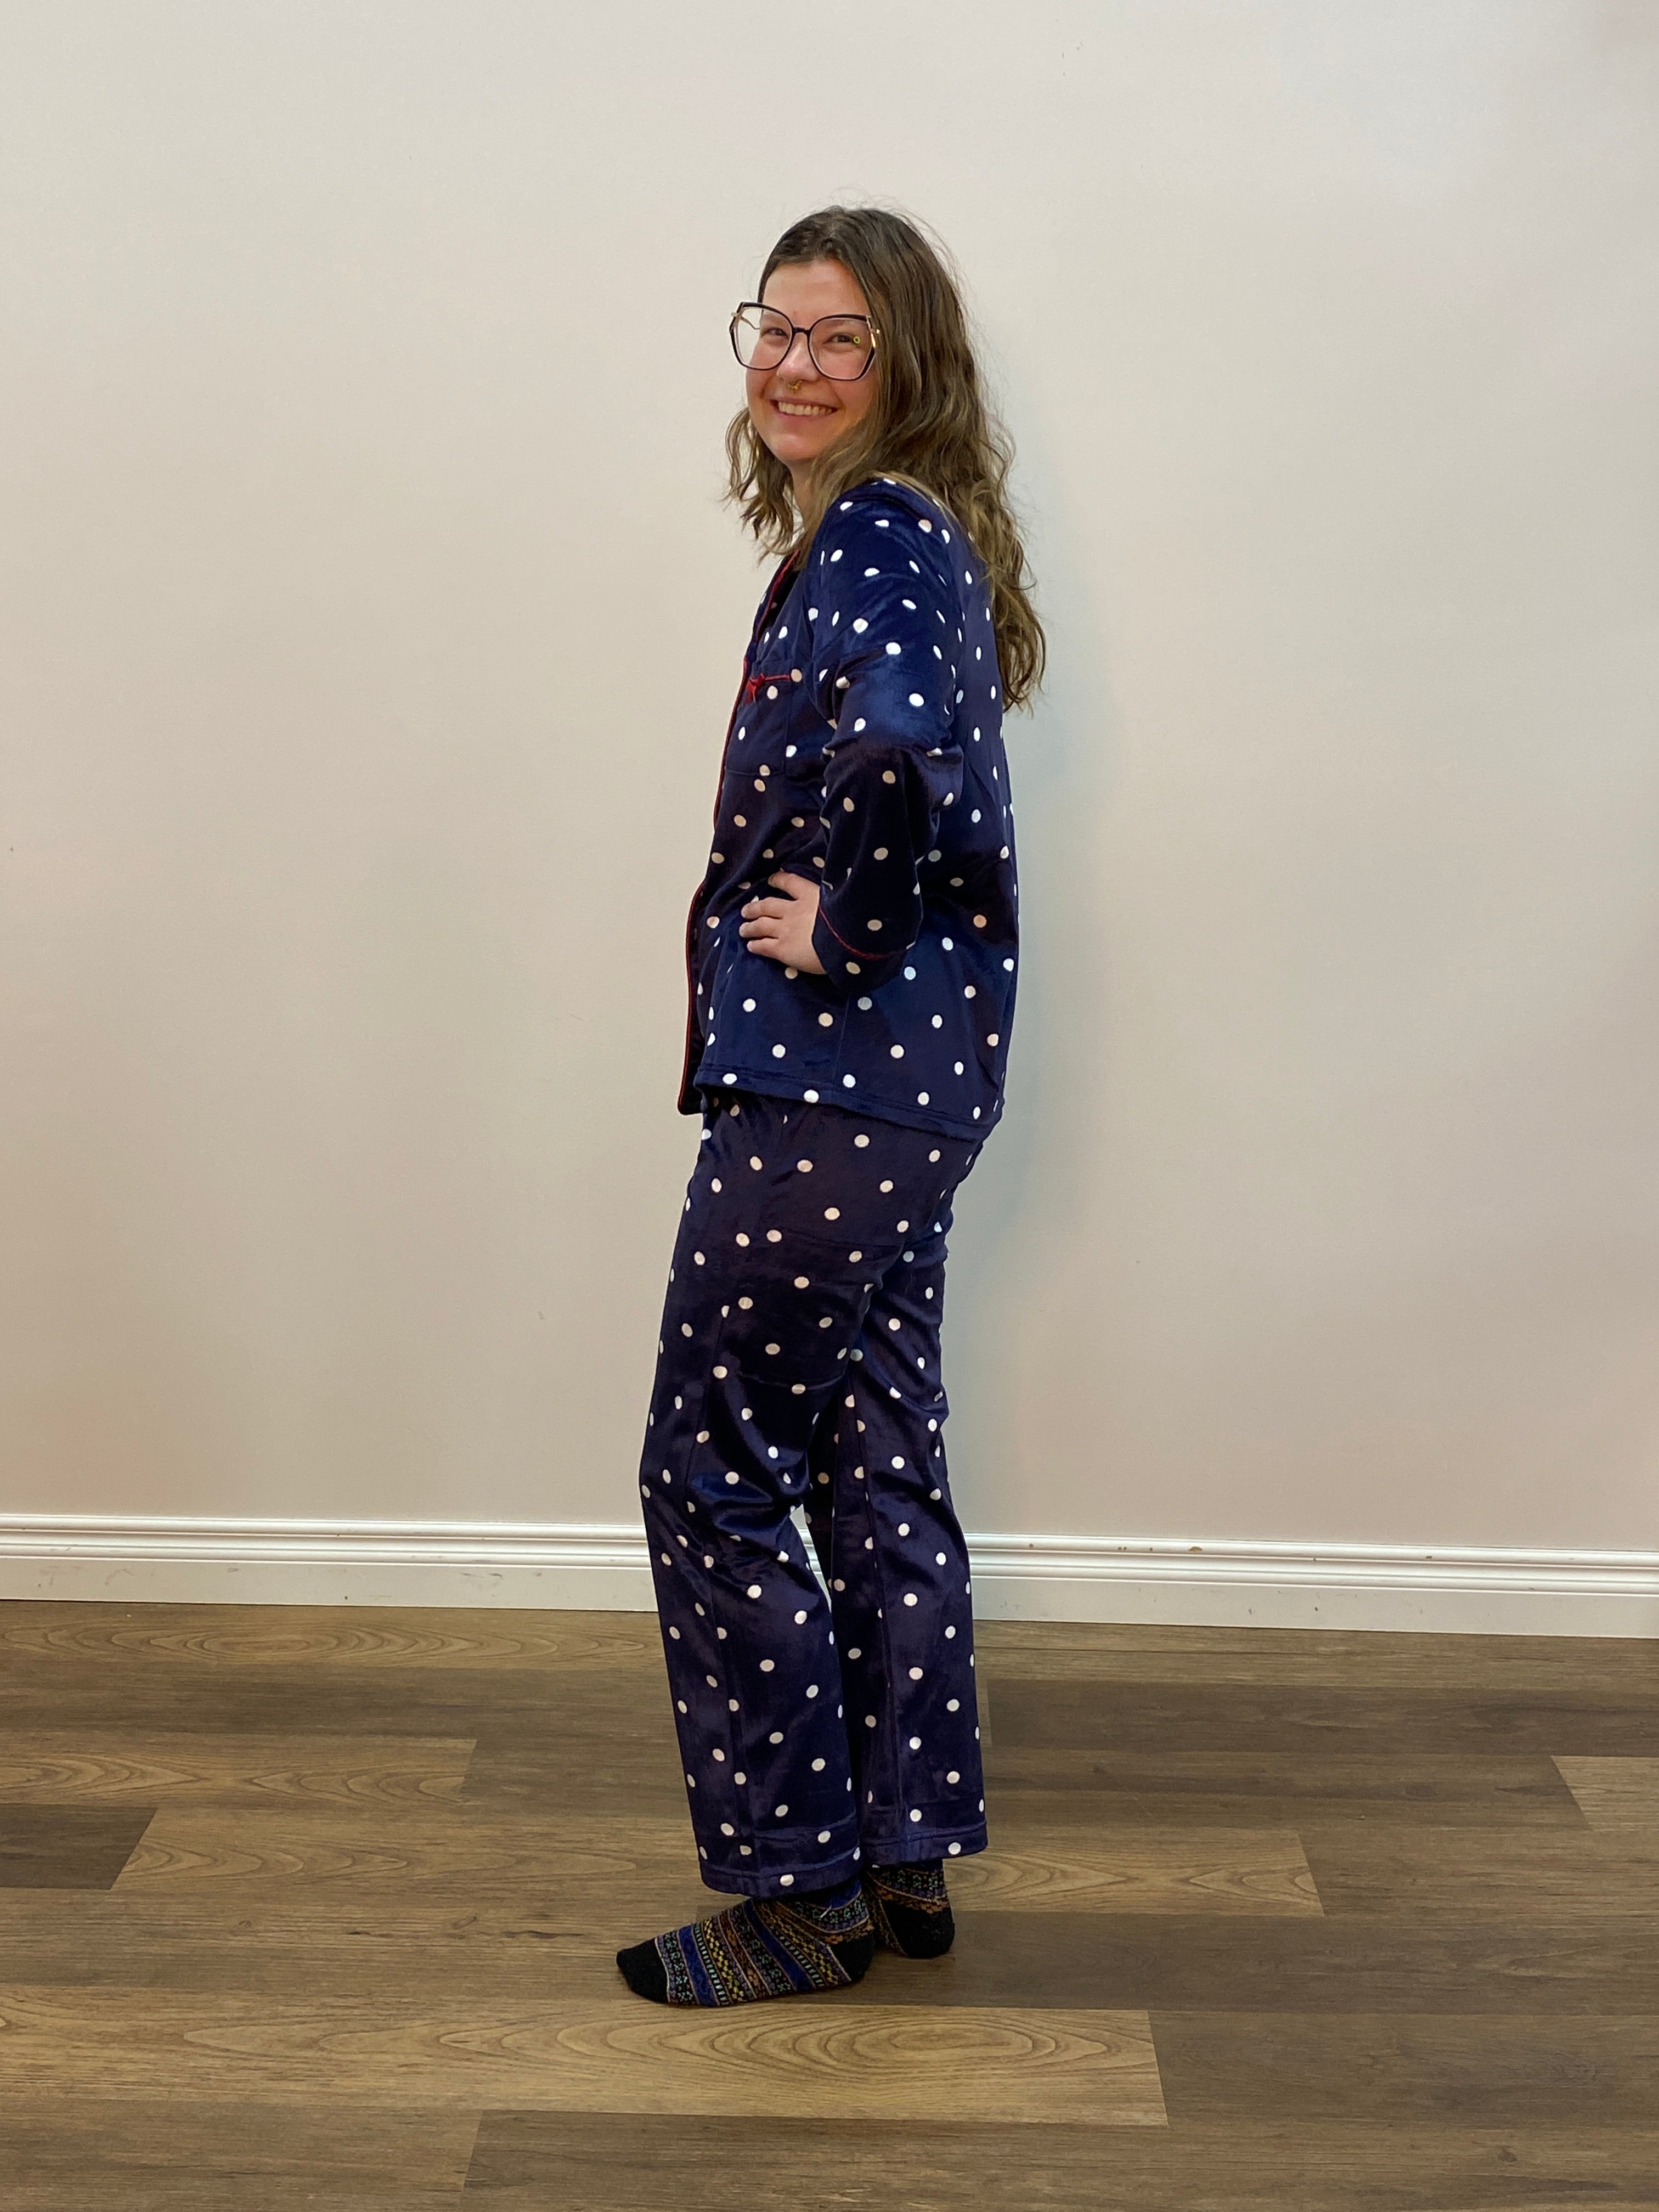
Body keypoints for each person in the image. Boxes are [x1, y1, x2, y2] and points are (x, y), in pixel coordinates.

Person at [616, 205, 1043, 2007]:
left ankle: (800, 1892)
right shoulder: (913, 532)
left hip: (835, 1080)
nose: (793, 364)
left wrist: (836, 920)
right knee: (874, 1461)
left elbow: (897, 747)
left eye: (839, 338)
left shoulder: (878, 531)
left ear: (907, 365)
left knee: (707, 1471)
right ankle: (902, 1858)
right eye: (772, 331)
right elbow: (921, 743)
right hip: (910, 1089)